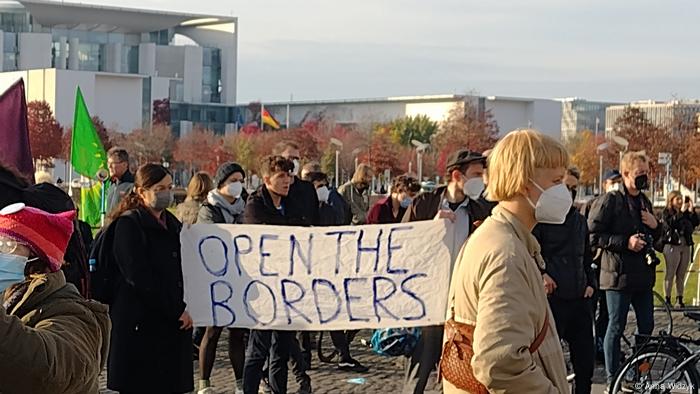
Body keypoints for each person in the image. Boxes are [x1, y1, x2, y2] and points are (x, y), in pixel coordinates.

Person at [444, 129, 569, 393]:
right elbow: (500, 362)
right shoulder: (505, 253)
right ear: (525, 183)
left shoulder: (500, 237)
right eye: (556, 180)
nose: (564, 190)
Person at [402, 149, 492, 394]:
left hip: (462, 304)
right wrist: (430, 228)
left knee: (458, 371)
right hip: (429, 302)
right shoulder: (424, 204)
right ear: (456, 175)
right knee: (420, 369)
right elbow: (402, 245)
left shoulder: (480, 211)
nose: (481, 180)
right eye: (475, 174)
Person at [0, 203, 110, 393]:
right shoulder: (6, 295)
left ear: (38, 259)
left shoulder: (75, 314)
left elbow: (46, 371)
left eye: (9, 246)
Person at [106, 163, 194, 393]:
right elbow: (138, 276)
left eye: (169, 187)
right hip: (139, 325)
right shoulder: (128, 225)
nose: (167, 192)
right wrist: (175, 309)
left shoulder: (174, 225)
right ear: (141, 191)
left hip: (167, 326)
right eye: (159, 188)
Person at [588, 151, 661, 384]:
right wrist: (625, 242)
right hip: (617, 276)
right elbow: (593, 235)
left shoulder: (644, 201)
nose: (644, 178)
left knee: (647, 327)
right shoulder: (611, 200)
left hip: (643, 276)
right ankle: (612, 377)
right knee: (616, 326)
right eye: (640, 174)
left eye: (646, 173)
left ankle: (640, 372)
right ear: (626, 174)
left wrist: (656, 224)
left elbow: (659, 238)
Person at [532, 166, 596, 394]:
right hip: (553, 300)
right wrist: (542, 274)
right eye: (565, 187)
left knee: (585, 362)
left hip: (579, 299)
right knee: (549, 362)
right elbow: (531, 251)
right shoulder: (542, 220)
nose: (570, 192)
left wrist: (590, 283)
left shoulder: (579, 220)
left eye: (573, 188)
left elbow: (587, 256)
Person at [301, 168, 369, 373]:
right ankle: (306, 357)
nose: (323, 190)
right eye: (318, 186)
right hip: (308, 266)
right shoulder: (303, 207)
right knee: (306, 314)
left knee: (332, 310)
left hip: (328, 265)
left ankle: (343, 354)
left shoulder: (331, 205)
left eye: (324, 186)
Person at [242, 155, 298, 394]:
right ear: (266, 179)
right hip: (264, 288)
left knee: (281, 351)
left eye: (289, 175)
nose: (287, 181)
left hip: (287, 286)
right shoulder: (255, 205)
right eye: (281, 176)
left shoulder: (292, 202)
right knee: (258, 349)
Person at [197, 162, 248, 394]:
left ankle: (240, 382)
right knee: (213, 330)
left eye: (241, 180)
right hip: (215, 278)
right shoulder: (209, 209)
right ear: (221, 184)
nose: (238, 185)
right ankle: (205, 383)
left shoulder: (244, 208)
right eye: (233, 180)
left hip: (239, 277)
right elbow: (210, 240)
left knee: (237, 333)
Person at [271, 143, 316, 393]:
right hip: (278, 268)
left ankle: (300, 375)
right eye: (289, 159)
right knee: (281, 336)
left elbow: (315, 223)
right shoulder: (267, 196)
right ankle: (296, 378)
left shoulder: (306, 189)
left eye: (297, 159)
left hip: (301, 263)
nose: (294, 164)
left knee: (289, 332)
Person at [582, 169, 622, 362]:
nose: (616, 185)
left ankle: (600, 344)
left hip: (609, 264)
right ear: (605, 183)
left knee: (607, 312)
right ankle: (591, 344)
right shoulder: (594, 204)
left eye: (619, 181)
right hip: (595, 262)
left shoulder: (622, 205)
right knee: (591, 309)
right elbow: (588, 233)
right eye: (613, 181)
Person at [659, 191, 699, 308]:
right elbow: (669, 224)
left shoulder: (685, 214)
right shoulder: (667, 212)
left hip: (684, 244)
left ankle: (679, 298)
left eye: (681, 199)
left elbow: (695, 223)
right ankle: (667, 299)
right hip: (672, 245)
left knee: (681, 273)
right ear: (671, 200)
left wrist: (692, 211)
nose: (680, 202)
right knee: (670, 273)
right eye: (678, 199)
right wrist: (680, 212)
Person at [105, 147, 135, 214]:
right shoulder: (111, 185)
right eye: (108, 163)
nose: (109, 166)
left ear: (125, 164)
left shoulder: (132, 186)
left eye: (112, 163)